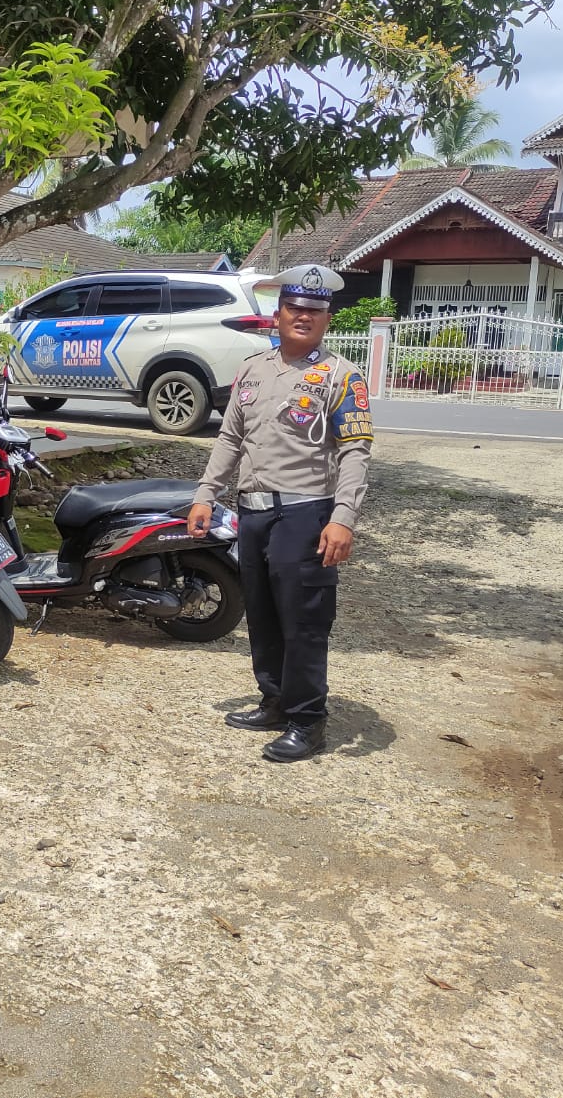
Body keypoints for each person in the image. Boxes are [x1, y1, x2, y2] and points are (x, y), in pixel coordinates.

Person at [187, 264, 373, 763]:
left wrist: (343, 517)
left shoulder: (341, 377)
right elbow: (230, 438)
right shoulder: (252, 370)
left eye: (314, 310)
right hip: (253, 512)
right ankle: (274, 699)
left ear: (326, 318)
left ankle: (308, 720)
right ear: (278, 314)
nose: (304, 317)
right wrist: (206, 494)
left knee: (304, 620)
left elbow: (355, 452)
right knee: (264, 614)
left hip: (305, 513)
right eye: (295, 308)